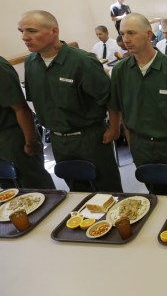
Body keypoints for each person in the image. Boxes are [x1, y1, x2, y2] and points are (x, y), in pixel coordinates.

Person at [20, 10, 123, 192]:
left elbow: (110, 97)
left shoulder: (82, 62)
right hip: (59, 141)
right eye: (21, 31)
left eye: (32, 31)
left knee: (108, 191)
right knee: (77, 192)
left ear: (54, 31)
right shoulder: (31, 63)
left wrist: (114, 127)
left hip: (89, 138)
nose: (25, 37)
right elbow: (35, 100)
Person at [110, 13, 167, 195]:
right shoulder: (120, 71)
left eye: (131, 33)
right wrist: (131, 143)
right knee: (155, 195)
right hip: (141, 147)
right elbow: (120, 108)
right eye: (123, 34)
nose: (126, 39)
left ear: (149, 35)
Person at [0, 56, 55, 189]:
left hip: (12, 136)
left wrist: (30, 141)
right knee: (10, 191)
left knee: (35, 186)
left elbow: (21, 109)